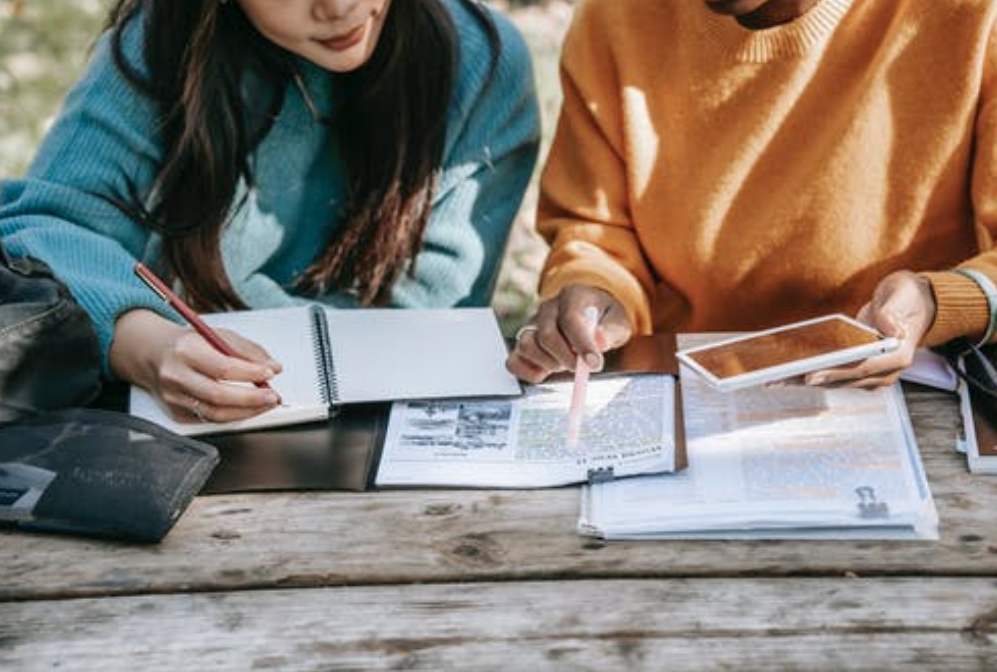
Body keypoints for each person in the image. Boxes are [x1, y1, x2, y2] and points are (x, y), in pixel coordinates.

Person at [0, 0, 540, 422]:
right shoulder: (165, 46)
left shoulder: (481, 64)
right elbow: (47, 231)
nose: (338, 9)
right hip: (175, 433)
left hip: (387, 434)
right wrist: (146, 342)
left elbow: (431, 320)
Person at [507, 0, 997, 388]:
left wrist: (939, 300)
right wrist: (596, 292)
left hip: (916, 396)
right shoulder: (614, 20)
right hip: (685, 389)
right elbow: (596, 231)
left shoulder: (973, 17)